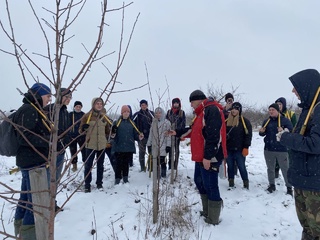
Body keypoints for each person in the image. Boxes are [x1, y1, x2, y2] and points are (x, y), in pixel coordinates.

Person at [278, 69, 320, 239]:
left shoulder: (318, 110)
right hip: (304, 180)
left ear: (307, 86)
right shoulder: (307, 109)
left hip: (315, 185)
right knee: (308, 229)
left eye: (295, 87)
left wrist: (287, 138)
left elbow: (315, 144)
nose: (293, 91)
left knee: (316, 231)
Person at [175, 90, 227, 225]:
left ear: (198, 100)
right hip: (201, 156)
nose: (191, 105)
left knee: (211, 185)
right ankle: (207, 211)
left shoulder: (211, 110)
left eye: (192, 102)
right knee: (200, 181)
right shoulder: (201, 113)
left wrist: (208, 157)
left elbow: (214, 136)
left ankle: (213, 217)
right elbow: (192, 130)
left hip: (210, 156)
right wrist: (176, 132)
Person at [13, 83, 52, 239]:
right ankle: (29, 235)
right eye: (48, 96)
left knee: (25, 198)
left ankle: (21, 232)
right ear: (39, 94)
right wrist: (48, 141)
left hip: (30, 161)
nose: (49, 100)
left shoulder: (31, 109)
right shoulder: (29, 110)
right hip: (34, 164)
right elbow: (25, 136)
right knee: (34, 202)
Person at [258, 103, 293, 195]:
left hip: (282, 149)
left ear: (278, 111)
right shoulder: (266, 121)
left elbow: (291, 131)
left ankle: (289, 188)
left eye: (273, 110)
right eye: (269, 110)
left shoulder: (285, 120)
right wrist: (261, 132)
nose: (271, 111)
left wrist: (283, 131)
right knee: (270, 168)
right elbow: (263, 134)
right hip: (268, 149)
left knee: (285, 169)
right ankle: (272, 185)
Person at [79, 97, 112, 192]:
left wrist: (112, 131)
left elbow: (108, 131)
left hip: (101, 145)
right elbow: (80, 131)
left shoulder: (104, 117)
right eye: (97, 103)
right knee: (88, 165)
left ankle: (99, 183)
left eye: (101, 104)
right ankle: (87, 185)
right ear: (93, 105)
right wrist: (83, 129)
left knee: (100, 165)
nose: (99, 105)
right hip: (90, 145)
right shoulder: (86, 116)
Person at [111, 105, 144, 184]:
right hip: (118, 146)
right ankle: (117, 178)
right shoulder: (116, 122)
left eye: (128, 112)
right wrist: (113, 132)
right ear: (122, 113)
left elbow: (135, 135)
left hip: (128, 147)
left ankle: (125, 178)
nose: (126, 113)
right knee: (118, 164)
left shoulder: (132, 123)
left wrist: (139, 137)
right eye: (124, 112)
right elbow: (112, 136)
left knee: (126, 164)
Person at [225, 102, 252, 189]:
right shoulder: (226, 121)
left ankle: (245, 182)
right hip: (229, 149)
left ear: (239, 110)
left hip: (240, 150)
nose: (234, 111)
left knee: (241, 166)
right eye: (233, 109)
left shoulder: (244, 121)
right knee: (230, 166)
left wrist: (246, 147)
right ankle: (231, 182)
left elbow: (248, 135)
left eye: (236, 109)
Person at [274, 97, 297, 178]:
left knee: (288, 157)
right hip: (277, 139)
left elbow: (294, 127)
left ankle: (289, 173)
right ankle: (276, 171)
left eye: (280, 104)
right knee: (277, 156)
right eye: (277, 104)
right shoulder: (274, 114)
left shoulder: (291, 114)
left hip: (288, 138)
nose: (278, 106)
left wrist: (285, 130)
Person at [147, 107, 171, 178]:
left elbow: (169, 135)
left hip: (163, 144)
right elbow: (151, 134)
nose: (158, 114)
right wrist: (149, 144)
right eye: (156, 113)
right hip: (155, 145)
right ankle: (157, 175)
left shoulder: (167, 123)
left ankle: (163, 174)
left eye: (159, 113)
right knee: (156, 161)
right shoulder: (154, 122)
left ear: (162, 113)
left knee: (162, 161)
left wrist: (168, 146)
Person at [132, 99, 154, 172]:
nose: (143, 106)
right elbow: (132, 125)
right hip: (141, 137)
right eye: (142, 105)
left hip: (150, 137)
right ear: (140, 106)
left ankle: (151, 168)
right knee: (142, 153)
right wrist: (138, 134)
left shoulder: (151, 114)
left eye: (145, 105)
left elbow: (156, 124)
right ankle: (142, 168)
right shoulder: (137, 114)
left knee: (151, 153)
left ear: (147, 105)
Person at [166, 98, 186, 170]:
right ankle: (170, 166)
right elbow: (166, 122)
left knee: (176, 151)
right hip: (170, 134)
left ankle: (175, 166)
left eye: (177, 103)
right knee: (170, 150)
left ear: (179, 104)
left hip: (177, 134)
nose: (176, 104)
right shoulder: (169, 112)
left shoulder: (181, 112)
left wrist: (178, 132)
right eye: (174, 103)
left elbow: (183, 124)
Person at [69, 101, 86, 171]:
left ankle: (86, 163)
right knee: (73, 151)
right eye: (77, 106)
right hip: (72, 136)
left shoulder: (84, 115)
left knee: (84, 150)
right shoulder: (70, 114)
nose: (78, 108)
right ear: (74, 107)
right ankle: (74, 165)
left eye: (79, 107)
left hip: (82, 136)